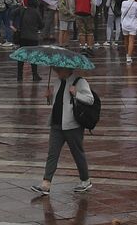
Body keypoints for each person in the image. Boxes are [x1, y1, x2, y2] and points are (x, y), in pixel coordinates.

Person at [29, 66, 94, 196]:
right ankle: (46, 183)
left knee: (77, 153)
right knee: (52, 153)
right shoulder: (57, 82)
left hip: (72, 125)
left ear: (68, 69)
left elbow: (90, 99)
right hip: (56, 124)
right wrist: (49, 97)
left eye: (59, 70)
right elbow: (58, 102)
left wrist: (76, 93)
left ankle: (85, 180)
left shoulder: (80, 82)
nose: (57, 72)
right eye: (56, 70)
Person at [15, 0, 44, 81]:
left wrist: (19, 6)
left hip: (23, 37)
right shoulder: (36, 12)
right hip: (33, 38)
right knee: (34, 57)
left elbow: (13, 13)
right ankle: (35, 75)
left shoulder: (23, 10)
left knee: (21, 57)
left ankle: (19, 76)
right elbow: (41, 25)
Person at [120, 0, 137, 64]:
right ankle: (129, 57)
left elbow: (122, 12)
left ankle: (127, 53)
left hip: (124, 23)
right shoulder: (136, 4)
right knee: (131, 40)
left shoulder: (123, 3)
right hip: (132, 24)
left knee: (126, 39)